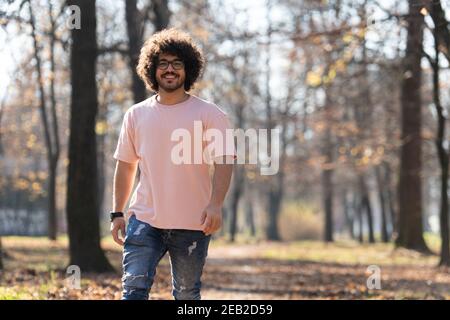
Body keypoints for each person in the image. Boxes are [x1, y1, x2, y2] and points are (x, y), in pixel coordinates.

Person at [110, 28, 236, 300]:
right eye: (163, 63)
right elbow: (126, 165)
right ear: (151, 69)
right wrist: (117, 213)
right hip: (144, 220)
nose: (170, 69)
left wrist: (215, 204)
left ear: (188, 69)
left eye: (177, 64)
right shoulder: (136, 115)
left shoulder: (210, 115)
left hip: (193, 222)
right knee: (133, 292)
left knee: (187, 295)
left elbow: (225, 161)